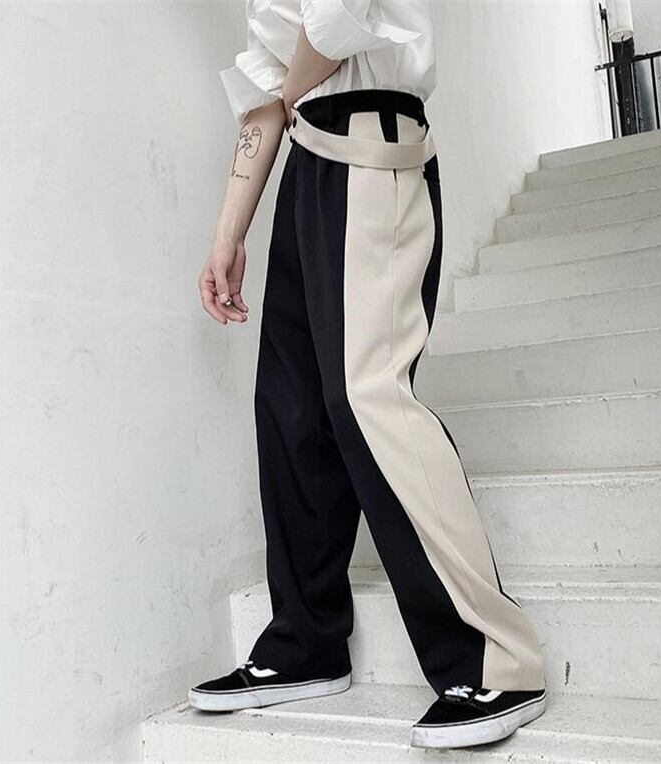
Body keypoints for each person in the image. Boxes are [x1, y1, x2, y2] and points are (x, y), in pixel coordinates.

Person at [188, 0, 547, 749]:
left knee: (369, 393)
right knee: (290, 408)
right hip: (308, 159)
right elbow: (266, 92)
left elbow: (334, 24)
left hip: (369, 139)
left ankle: (497, 659)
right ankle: (305, 642)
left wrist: (290, 91)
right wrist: (230, 233)